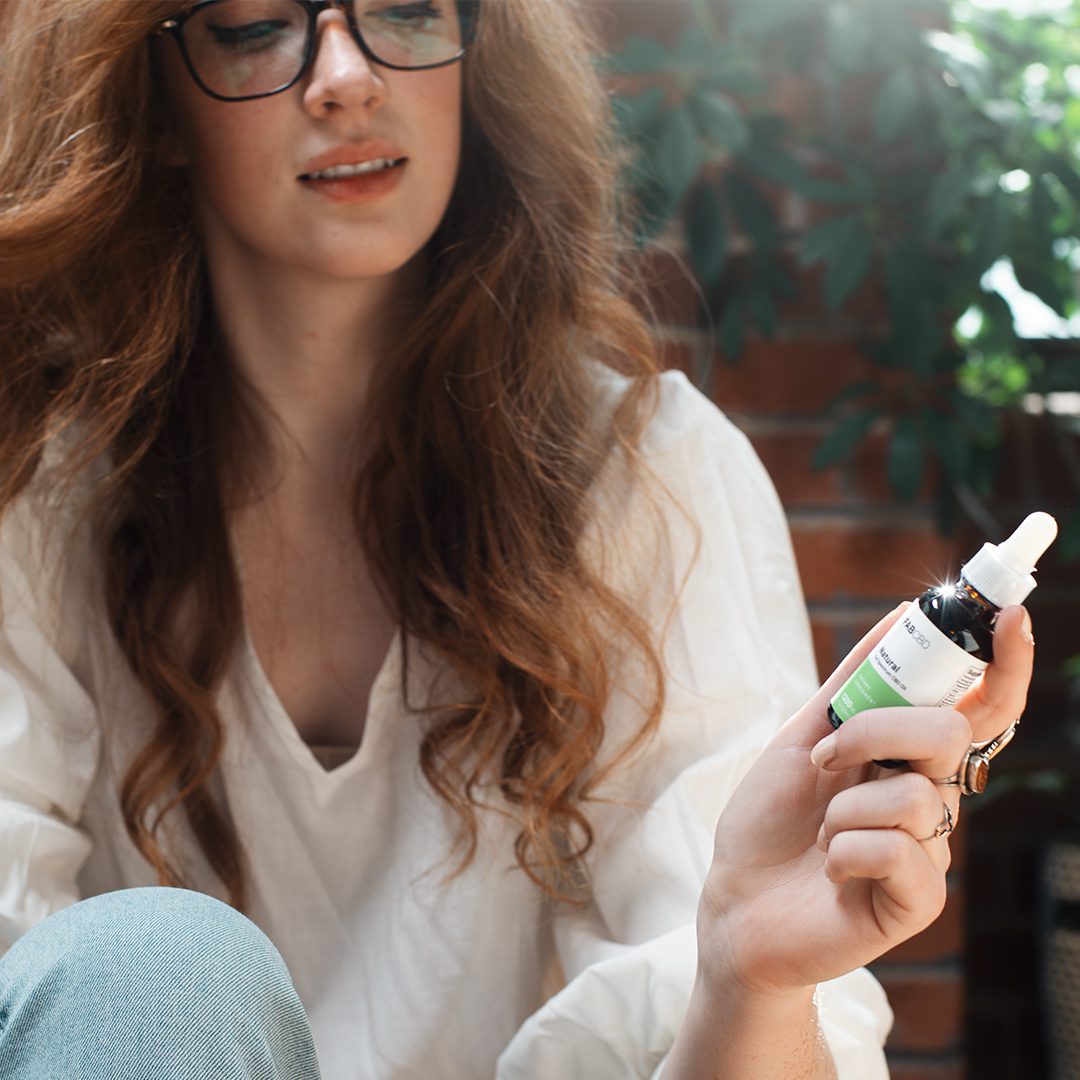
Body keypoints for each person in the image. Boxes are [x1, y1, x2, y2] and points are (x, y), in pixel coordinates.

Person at [0, 1, 1034, 1077]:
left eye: (405, 8)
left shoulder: (650, 476)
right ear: (153, 102)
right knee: (149, 970)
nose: (346, 76)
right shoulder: (34, 486)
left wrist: (750, 979)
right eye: (257, 27)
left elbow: (706, 999)